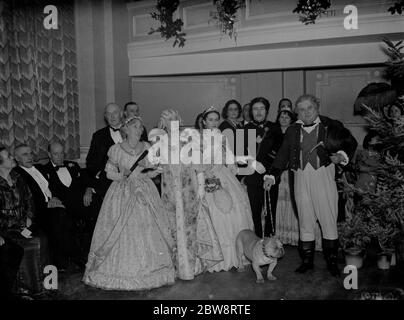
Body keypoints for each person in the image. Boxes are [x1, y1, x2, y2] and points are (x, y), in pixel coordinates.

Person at [264, 94, 358, 277]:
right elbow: (282, 154)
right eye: (301, 109)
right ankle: (307, 262)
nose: (306, 112)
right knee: (305, 222)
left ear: (317, 108)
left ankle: (331, 263)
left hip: (323, 176)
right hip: (299, 178)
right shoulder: (292, 130)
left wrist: (341, 155)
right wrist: (272, 175)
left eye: (310, 108)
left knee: (328, 221)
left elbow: (350, 143)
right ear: (297, 112)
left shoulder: (331, 125)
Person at [83, 116, 175, 290]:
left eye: (141, 127)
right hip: (121, 191)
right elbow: (108, 171)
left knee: (147, 229)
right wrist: (120, 175)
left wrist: (147, 167)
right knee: (122, 229)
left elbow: (159, 169)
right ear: (126, 129)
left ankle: (151, 272)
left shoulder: (147, 147)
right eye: (135, 127)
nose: (139, 130)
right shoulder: (116, 149)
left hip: (145, 190)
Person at [157, 109, 223, 280]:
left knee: (188, 228)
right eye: (167, 120)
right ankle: (175, 267)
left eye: (173, 119)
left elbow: (198, 165)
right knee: (172, 227)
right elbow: (157, 166)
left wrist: (201, 187)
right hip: (169, 191)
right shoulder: (160, 140)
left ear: (179, 120)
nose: (171, 123)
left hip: (188, 190)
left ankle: (189, 267)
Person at [198, 106, 254, 272]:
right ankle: (216, 257)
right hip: (207, 175)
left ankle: (237, 254)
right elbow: (196, 160)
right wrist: (205, 174)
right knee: (214, 212)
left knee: (234, 209)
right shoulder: (198, 139)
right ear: (204, 121)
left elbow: (229, 156)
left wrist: (233, 167)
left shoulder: (222, 137)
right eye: (210, 120)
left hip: (223, 175)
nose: (214, 123)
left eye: (216, 120)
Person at [13, 144, 69, 271]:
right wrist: (47, 204)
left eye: (30, 153)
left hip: (51, 203)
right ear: (17, 158)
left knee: (64, 211)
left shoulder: (39, 168)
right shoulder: (17, 174)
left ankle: (67, 257)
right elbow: (25, 199)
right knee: (59, 215)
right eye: (24, 154)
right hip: (37, 210)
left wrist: (54, 197)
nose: (29, 157)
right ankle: (58, 263)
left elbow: (51, 186)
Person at [0, 147, 46, 298]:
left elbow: (29, 200)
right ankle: (22, 290)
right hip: (6, 229)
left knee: (40, 240)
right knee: (26, 245)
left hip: (23, 224)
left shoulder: (18, 176)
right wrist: (18, 222)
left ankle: (38, 288)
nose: (12, 157)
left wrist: (29, 216)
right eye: (8, 156)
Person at [243, 97, 283, 238]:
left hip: (270, 176)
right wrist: (252, 162)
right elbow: (239, 153)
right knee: (255, 212)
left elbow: (280, 152)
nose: (258, 112)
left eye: (262, 108)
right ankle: (257, 244)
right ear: (251, 111)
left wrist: (270, 172)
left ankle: (270, 245)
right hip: (252, 176)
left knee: (270, 211)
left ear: (267, 111)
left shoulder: (275, 128)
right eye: (255, 108)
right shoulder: (245, 129)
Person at [41, 142, 86, 266]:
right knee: (63, 218)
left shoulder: (73, 165)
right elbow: (42, 189)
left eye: (62, 153)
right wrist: (51, 197)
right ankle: (76, 257)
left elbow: (85, 182)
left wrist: (88, 191)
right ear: (49, 155)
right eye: (56, 154)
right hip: (62, 207)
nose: (60, 157)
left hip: (79, 204)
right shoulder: (43, 170)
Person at [83, 103, 124, 234]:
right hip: (107, 182)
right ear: (105, 116)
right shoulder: (98, 135)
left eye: (115, 113)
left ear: (121, 114)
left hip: (128, 180)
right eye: (109, 114)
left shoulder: (132, 130)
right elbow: (90, 162)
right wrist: (101, 172)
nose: (112, 116)